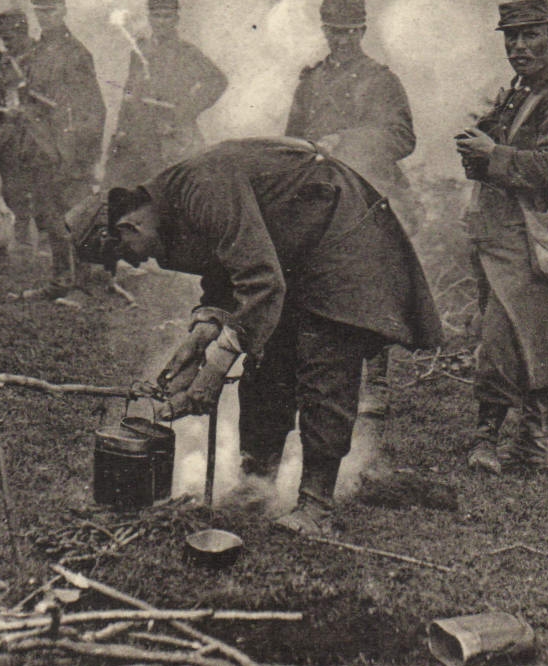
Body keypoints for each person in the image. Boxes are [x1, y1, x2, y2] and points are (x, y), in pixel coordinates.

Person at [75, 137, 444, 535]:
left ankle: (317, 508)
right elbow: (227, 268)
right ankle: (257, 485)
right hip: (292, 256)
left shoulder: (200, 188)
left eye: (128, 253)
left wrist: (215, 369)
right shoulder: (173, 202)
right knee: (266, 365)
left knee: (325, 363)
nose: (137, 261)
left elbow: (260, 282)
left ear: (127, 224)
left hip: (343, 238)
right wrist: (199, 339)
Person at [455, 0, 548, 474]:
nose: (519, 46)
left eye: (531, 35)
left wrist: (492, 155)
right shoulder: (518, 91)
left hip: (534, 238)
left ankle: (488, 440)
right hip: (503, 237)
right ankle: (535, 440)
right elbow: (499, 151)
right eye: (512, 37)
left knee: (506, 338)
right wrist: (478, 146)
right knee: (526, 337)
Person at [285, 0, 419, 459]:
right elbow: (291, 138)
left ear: (363, 31)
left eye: (349, 31)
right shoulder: (311, 81)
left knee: (368, 286)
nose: (340, 40)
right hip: (320, 198)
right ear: (324, 31)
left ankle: (375, 382)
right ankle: (320, 373)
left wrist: (349, 141)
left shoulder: (381, 82)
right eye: (333, 31)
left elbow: (403, 137)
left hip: (366, 196)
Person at [0, 0, 105, 301]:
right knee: (50, 216)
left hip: (67, 149)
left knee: (74, 216)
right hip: (40, 147)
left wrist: (81, 153)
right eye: (40, 11)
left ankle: (84, 284)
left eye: (51, 10)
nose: (45, 17)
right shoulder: (39, 51)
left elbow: (93, 108)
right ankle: (62, 282)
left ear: (63, 9)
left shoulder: (75, 52)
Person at [103, 0, 227, 188]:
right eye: (156, 16)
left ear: (176, 18)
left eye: (167, 16)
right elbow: (129, 93)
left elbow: (217, 80)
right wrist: (121, 131)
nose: (161, 22)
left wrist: (184, 112)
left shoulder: (186, 53)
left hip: (168, 137)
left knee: (168, 194)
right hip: (137, 133)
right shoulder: (139, 50)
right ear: (149, 18)